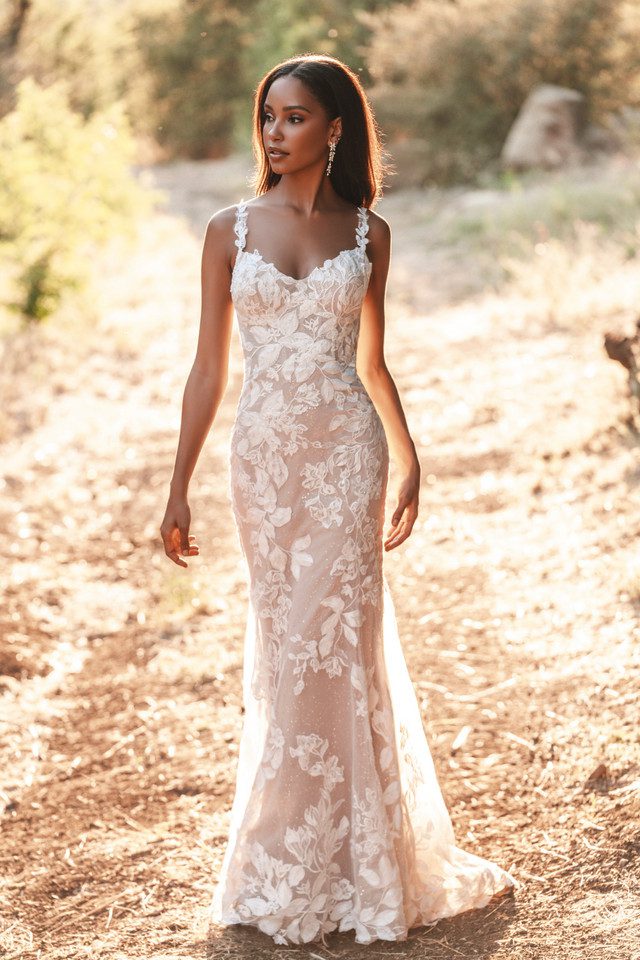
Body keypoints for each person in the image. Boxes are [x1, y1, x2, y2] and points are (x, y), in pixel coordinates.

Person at [160, 53, 517, 948]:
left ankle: (363, 864)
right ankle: (284, 856)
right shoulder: (227, 230)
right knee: (287, 653)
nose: (275, 133)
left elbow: (371, 361)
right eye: (268, 117)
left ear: (335, 127)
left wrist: (408, 455)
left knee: (343, 644)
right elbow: (210, 368)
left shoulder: (370, 235)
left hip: (345, 458)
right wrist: (178, 484)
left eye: (293, 117)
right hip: (266, 466)